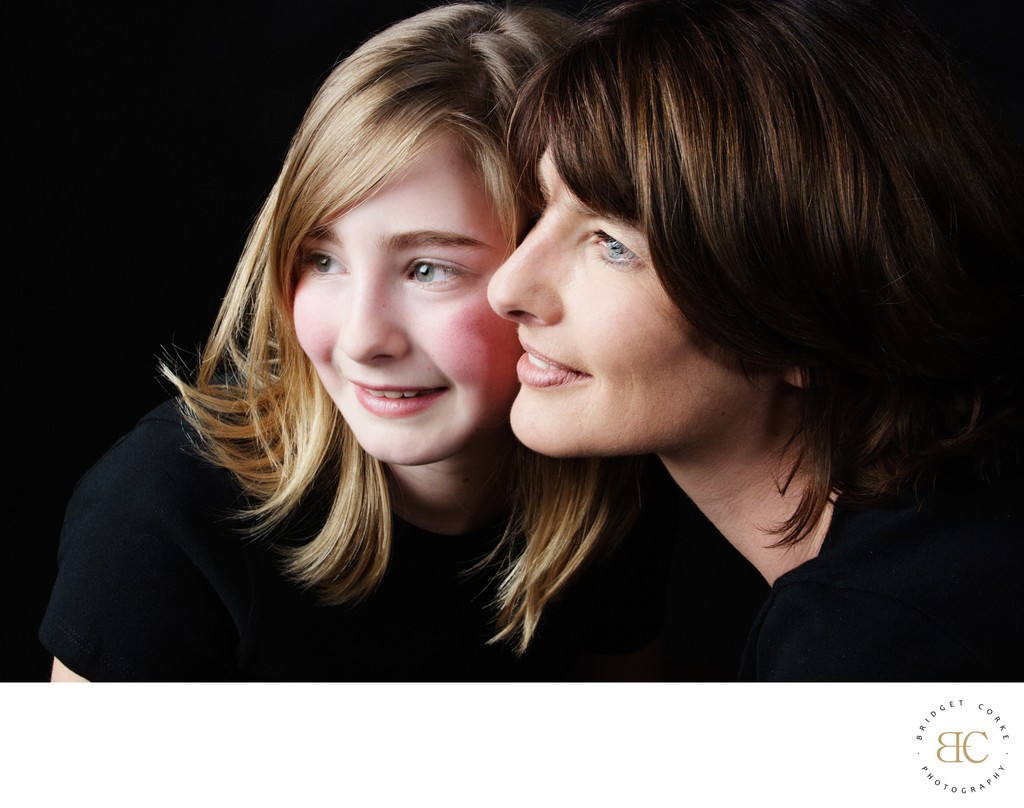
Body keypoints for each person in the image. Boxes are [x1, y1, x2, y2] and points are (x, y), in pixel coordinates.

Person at [39, 1, 682, 682]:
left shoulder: (618, 474)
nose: (361, 338)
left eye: (429, 269)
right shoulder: (164, 510)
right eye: (323, 261)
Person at [488, 0, 1024, 680]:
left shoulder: (871, 649)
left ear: (803, 321)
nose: (507, 287)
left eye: (612, 245)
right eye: (537, 212)